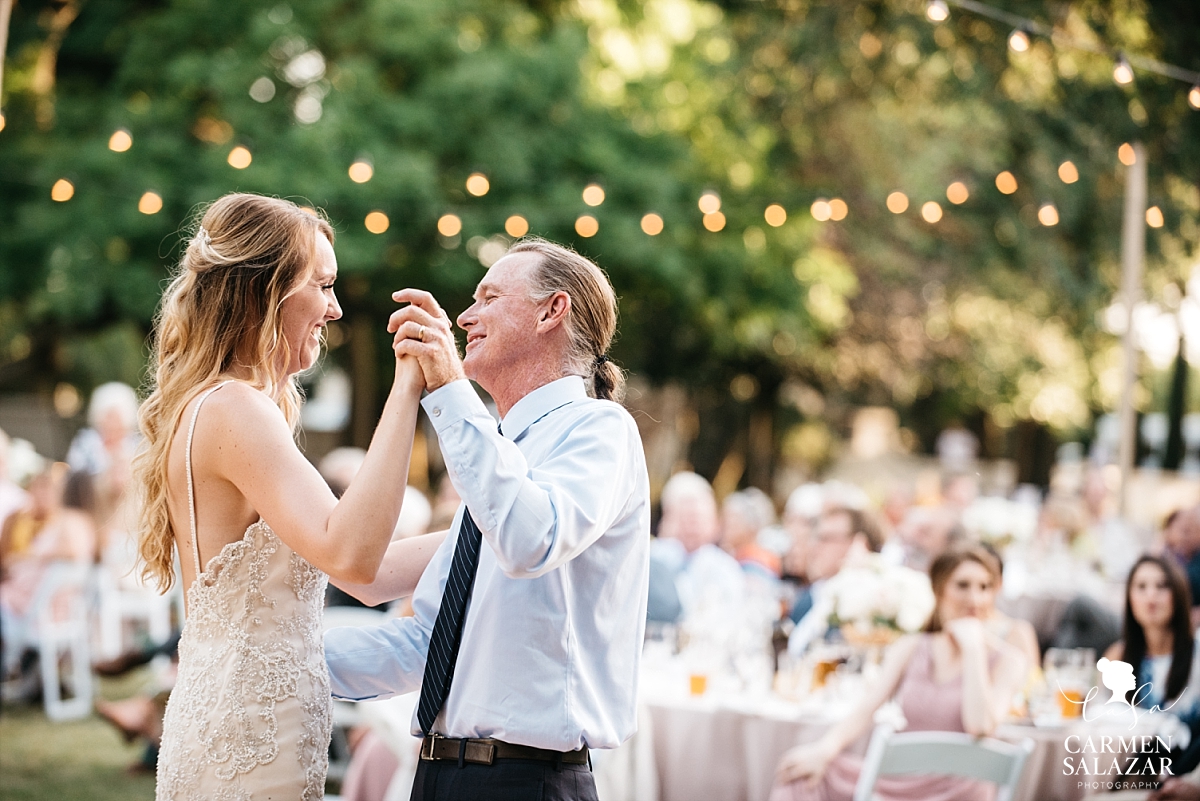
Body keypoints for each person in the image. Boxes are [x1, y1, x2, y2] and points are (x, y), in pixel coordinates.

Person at [134, 193, 439, 801]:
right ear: (265, 292)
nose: (334, 307)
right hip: (249, 738)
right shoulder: (235, 410)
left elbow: (368, 575)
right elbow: (352, 555)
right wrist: (407, 391)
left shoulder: (227, 406)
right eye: (322, 286)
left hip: (244, 718)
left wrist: (489, 529)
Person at [324, 237, 650, 801]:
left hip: (529, 781)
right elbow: (423, 645)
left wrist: (450, 388)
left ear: (553, 310)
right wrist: (276, 660)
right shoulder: (495, 464)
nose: (464, 317)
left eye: (488, 297)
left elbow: (531, 538)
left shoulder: (600, 430)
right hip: (439, 776)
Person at [770, 545, 1027, 801]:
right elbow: (868, 706)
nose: (975, 599)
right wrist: (824, 750)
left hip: (961, 789)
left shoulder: (1009, 660)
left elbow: (980, 727)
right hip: (902, 779)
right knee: (800, 776)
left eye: (984, 587)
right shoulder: (912, 647)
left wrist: (973, 650)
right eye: (962, 585)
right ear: (939, 590)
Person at [1103, 555, 1200, 715]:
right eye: (1141, 586)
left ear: (1178, 594)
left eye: (1161, 586)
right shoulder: (1117, 657)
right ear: (1129, 599)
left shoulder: (1196, 656)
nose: (1151, 595)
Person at [647, 471, 745, 624]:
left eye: (699, 515)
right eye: (685, 514)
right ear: (668, 518)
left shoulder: (725, 568)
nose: (692, 525)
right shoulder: (651, 559)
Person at [787, 506, 882, 652]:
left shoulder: (874, 602)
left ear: (858, 543)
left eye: (826, 539)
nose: (814, 547)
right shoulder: (807, 599)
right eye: (815, 538)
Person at [720, 487, 782, 580]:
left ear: (752, 525)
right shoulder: (734, 556)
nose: (726, 524)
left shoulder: (757, 562)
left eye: (734, 518)